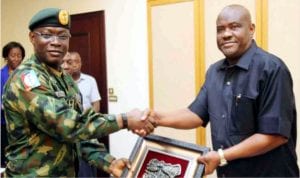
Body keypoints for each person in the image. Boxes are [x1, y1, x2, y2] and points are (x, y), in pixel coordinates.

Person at [147, 4, 299, 177]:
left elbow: (274, 135)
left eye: (234, 27)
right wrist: (155, 118)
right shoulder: (214, 72)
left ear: (251, 29)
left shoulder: (272, 69)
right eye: (220, 30)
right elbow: (195, 114)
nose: (226, 34)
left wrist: (221, 156)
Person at [2, 8, 155, 177]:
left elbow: (79, 133)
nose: (56, 42)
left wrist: (108, 162)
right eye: (47, 35)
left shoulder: (67, 80)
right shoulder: (26, 79)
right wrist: (125, 120)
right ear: (32, 37)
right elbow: (67, 124)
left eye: (62, 36)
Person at [62, 51, 102, 177]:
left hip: (87, 130)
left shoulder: (89, 80)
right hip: (67, 136)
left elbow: (96, 105)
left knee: (88, 168)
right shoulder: (58, 83)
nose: (70, 65)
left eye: (74, 62)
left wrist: (87, 122)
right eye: (68, 62)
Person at [1, 41, 25, 167]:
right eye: (13, 55)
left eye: (19, 55)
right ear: (6, 57)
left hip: (24, 125)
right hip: (4, 125)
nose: (16, 58)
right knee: (5, 159)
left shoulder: (28, 75)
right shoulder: (0, 75)